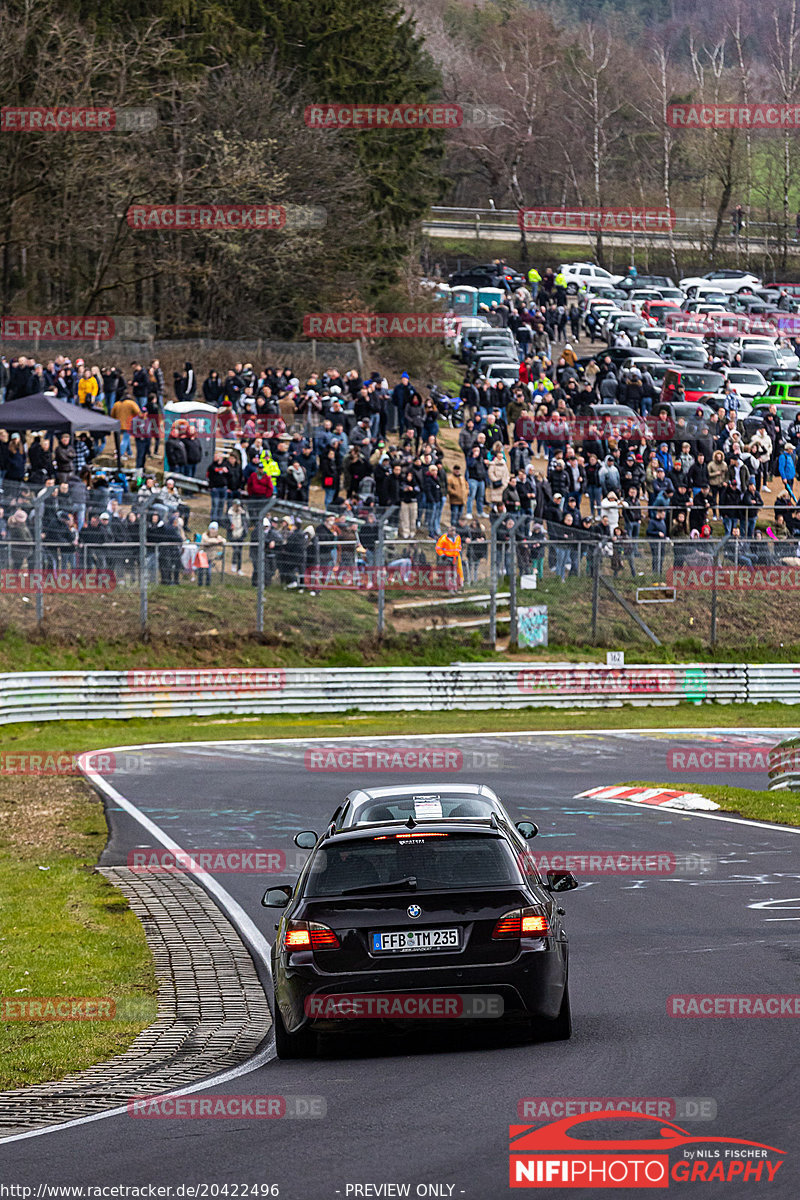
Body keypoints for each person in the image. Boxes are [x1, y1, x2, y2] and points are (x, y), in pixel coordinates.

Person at [197, 521, 226, 585]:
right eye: (211, 528)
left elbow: (224, 540)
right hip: (202, 556)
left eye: (214, 529)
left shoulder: (217, 536)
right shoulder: (205, 535)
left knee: (208, 572)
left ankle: (208, 585)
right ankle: (200, 584)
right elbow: (207, 540)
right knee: (201, 571)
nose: (212, 530)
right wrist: (217, 541)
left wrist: (218, 540)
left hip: (210, 557)